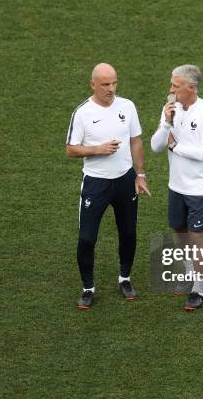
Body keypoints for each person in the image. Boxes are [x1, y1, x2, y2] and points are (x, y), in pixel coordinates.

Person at [66, 63, 151, 309]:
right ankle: (88, 288)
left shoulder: (128, 106)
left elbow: (136, 141)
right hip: (96, 182)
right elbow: (71, 148)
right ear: (93, 84)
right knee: (87, 238)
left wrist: (141, 174)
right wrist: (97, 149)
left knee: (128, 233)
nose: (111, 89)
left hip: (125, 180)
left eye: (114, 83)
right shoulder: (82, 113)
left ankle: (125, 278)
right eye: (105, 84)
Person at [150, 64, 203, 311]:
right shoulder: (170, 109)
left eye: (175, 86)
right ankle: (190, 272)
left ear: (191, 88)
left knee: (197, 235)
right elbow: (156, 146)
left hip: (200, 187)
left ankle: (199, 289)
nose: (170, 90)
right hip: (176, 185)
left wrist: (175, 147)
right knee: (179, 229)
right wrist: (167, 124)